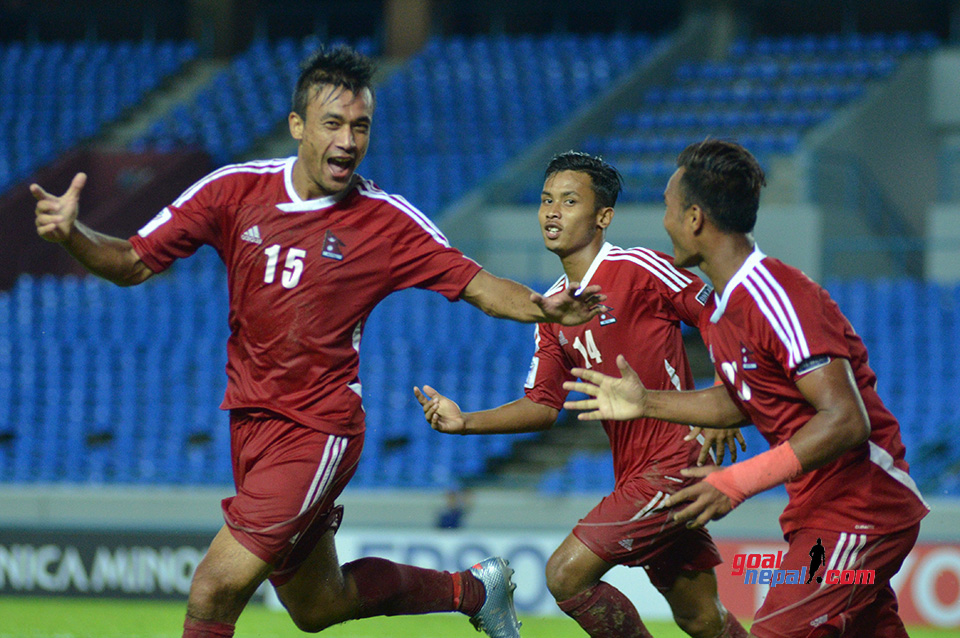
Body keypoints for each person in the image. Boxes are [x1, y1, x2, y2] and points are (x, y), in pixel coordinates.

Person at [31, 46, 608, 638]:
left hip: (316, 428)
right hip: (249, 424)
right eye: (333, 123)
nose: (348, 141)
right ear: (298, 125)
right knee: (318, 606)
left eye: (361, 126)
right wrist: (73, 235)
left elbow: (480, 286)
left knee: (212, 589)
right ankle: (476, 590)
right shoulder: (234, 191)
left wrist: (542, 307)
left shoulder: (386, 220)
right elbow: (132, 262)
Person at [563, 140, 930, 637]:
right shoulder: (724, 310)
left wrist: (737, 481)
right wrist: (647, 402)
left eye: (669, 208)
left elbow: (846, 419)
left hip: (860, 508)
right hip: (819, 509)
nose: (664, 222)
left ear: (695, 218)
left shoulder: (777, 294)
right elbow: (739, 403)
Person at [414, 151, 748, 638]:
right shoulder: (551, 309)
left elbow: (727, 313)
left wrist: (721, 395)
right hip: (635, 470)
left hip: (675, 462)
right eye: (547, 200)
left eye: (569, 202)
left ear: (603, 217)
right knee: (700, 618)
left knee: (565, 575)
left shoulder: (638, 269)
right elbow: (542, 406)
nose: (553, 212)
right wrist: (466, 421)